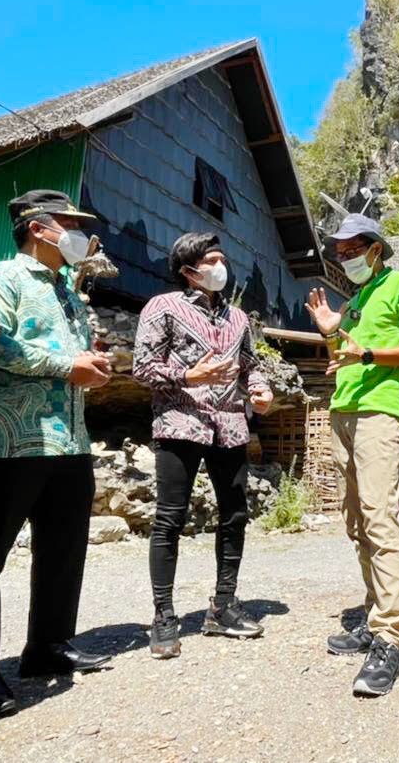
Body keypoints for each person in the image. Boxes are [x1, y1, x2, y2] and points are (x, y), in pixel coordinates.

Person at [0, 189, 115, 718]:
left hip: (67, 438)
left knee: (64, 546)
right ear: (40, 228)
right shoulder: (0, 278)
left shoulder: (65, 288)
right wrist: (69, 368)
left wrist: (90, 363)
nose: (81, 236)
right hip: (3, 440)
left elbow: (66, 356)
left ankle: (47, 646)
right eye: (72, 223)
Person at [305, 214, 399, 697]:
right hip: (343, 410)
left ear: (377, 248)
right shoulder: (356, 299)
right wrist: (331, 331)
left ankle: (390, 638)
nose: (345, 257)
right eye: (338, 251)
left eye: (352, 248)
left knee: (379, 519)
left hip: (381, 413)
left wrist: (368, 356)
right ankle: (373, 613)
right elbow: (348, 352)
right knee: (355, 522)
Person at [132, 232, 274, 660]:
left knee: (235, 514)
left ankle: (223, 605)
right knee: (169, 519)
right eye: (211, 260)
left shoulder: (238, 319)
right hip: (180, 421)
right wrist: (187, 378)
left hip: (230, 424)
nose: (220, 267)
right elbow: (142, 367)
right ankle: (164, 616)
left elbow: (251, 365)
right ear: (188, 271)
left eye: (221, 259)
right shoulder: (163, 307)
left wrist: (261, 389)